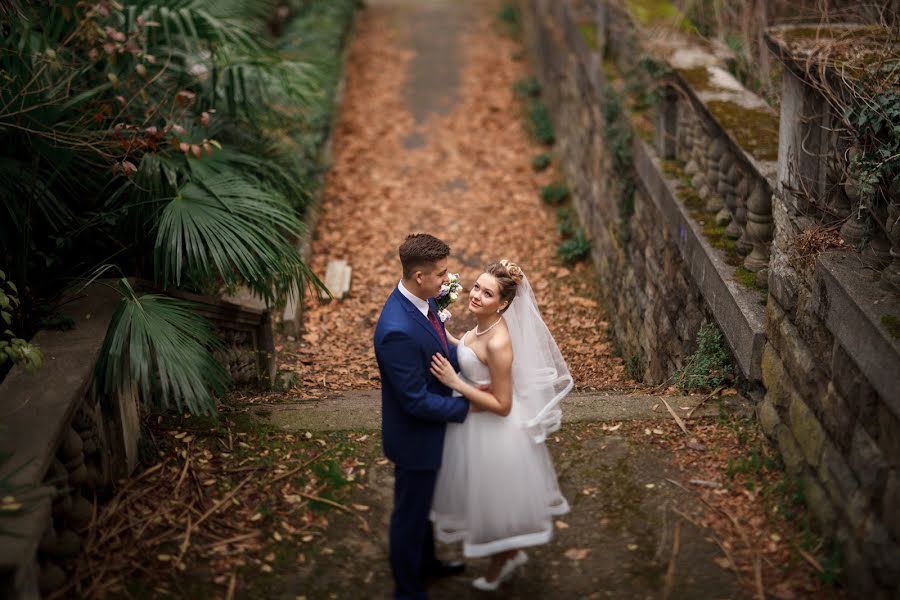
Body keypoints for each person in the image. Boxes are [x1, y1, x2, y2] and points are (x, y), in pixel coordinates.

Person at [429, 260, 573, 591]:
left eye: (487, 293)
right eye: (477, 287)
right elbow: (466, 350)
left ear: (504, 304)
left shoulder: (498, 343)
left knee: (493, 506)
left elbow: (504, 405)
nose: (476, 295)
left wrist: (456, 382)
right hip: (473, 424)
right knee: (483, 498)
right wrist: (439, 327)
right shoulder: (482, 326)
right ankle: (512, 553)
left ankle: (499, 567)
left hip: (494, 433)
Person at [374, 233, 471, 600]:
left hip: (429, 431)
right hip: (415, 439)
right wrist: (469, 406)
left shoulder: (420, 302)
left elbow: (441, 347)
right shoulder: (395, 332)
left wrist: (480, 366)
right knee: (409, 517)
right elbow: (414, 401)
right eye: (442, 275)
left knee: (425, 508)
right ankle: (407, 589)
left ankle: (427, 564)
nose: (448, 281)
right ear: (419, 277)